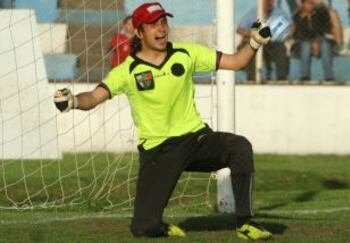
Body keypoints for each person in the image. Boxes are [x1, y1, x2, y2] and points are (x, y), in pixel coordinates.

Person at [53, 2, 272, 241]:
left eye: (163, 22)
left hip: (195, 139)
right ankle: (158, 226)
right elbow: (95, 96)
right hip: (158, 151)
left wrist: (254, 43)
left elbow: (237, 62)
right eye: (152, 24)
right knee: (143, 228)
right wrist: (73, 101)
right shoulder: (126, 71)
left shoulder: (187, 53)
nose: (161, 29)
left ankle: (245, 224)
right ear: (138, 32)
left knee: (239, 147)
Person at [237, 0, 290, 81]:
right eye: (266, 1)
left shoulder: (279, 13)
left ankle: (282, 79)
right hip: (256, 41)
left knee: (281, 49)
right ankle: (252, 79)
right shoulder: (254, 12)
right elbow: (239, 29)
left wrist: (285, 36)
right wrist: (251, 34)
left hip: (273, 43)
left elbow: (291, 27)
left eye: (270, 1)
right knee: (250, 50)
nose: (268, 3)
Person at [292, 0, 336, 81]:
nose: (311, 5)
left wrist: (316, 41)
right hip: (301, 44)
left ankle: (329, 78)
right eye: (309, 3)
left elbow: (324, 30)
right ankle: (305, 77)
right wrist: (312, 42)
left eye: (312, 3)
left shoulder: (320, 13)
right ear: (302, 4)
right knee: (306, 45)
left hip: (319, 42)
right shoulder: (297, 16)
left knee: (325, 45)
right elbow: (300, 34)